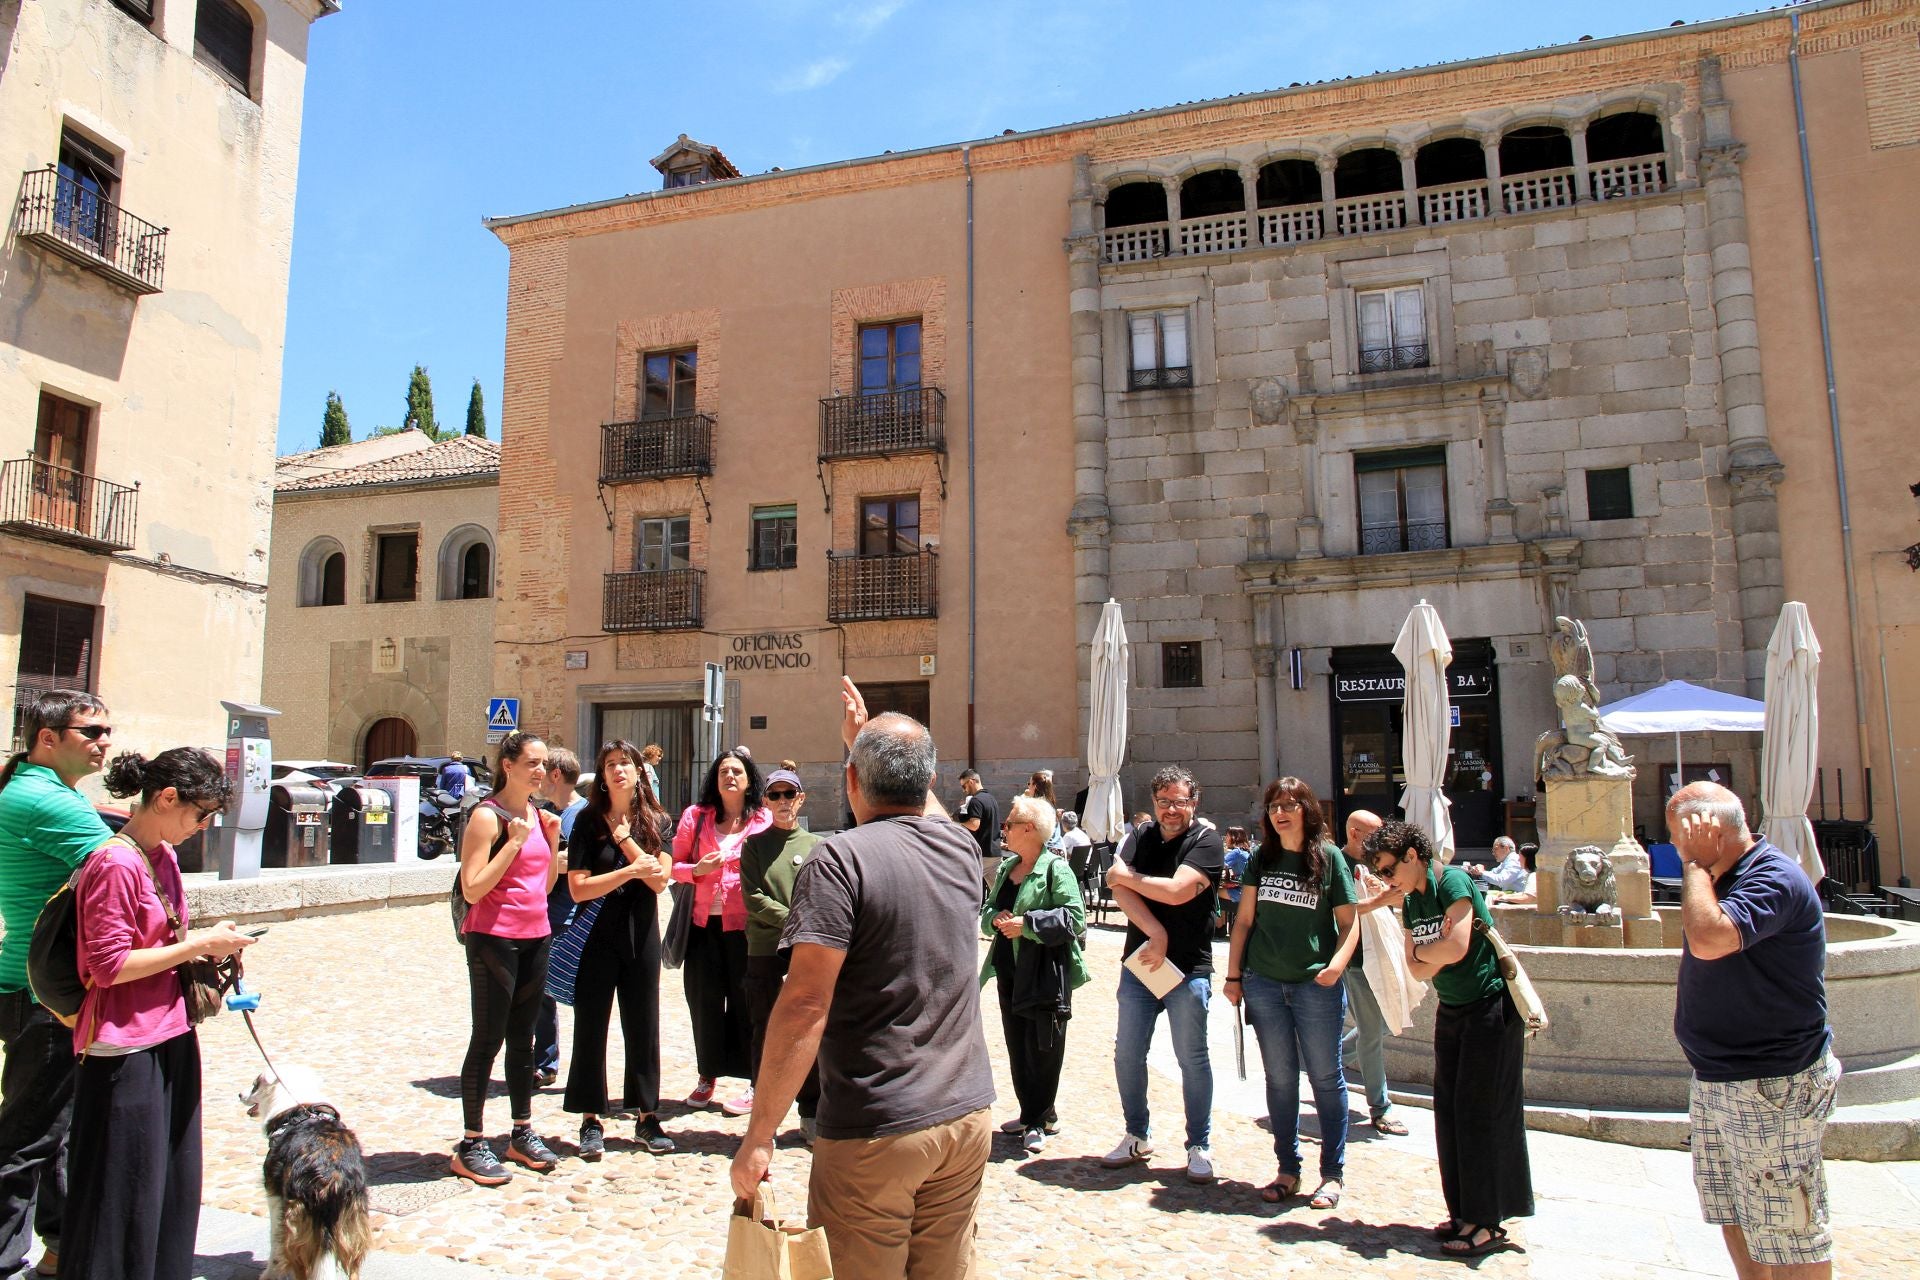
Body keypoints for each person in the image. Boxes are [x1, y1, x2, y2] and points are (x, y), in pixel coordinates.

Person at [731, 680, 994, 1278]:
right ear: (930, 782)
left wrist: (761, 1133)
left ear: (850, 783)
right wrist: (868, 747)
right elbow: (925, 805)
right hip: (965, 1115)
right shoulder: (958, 846)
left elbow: (802, 1004)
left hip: (878, 1123)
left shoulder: (838, 859)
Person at [64, 748, 255, 1280]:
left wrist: (212, 946)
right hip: (123, 1046)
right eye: (200, 814)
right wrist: (196, 946)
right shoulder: (115, 862)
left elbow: (164, 937)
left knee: (168, 1187)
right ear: (167, 798)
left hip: (170, 1032)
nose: (202, 826)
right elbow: (108, 966)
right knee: (121, 1195)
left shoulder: (162, 857)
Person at [1670, 782, 1837, 1279]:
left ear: (1709, 833)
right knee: (1735, 1214)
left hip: (1773, 1082)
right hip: (1720, 1077)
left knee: (1789, 1231)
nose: (1674, 846)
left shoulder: (1773, 877)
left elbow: (1709, 938)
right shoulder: (1721, 879)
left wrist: (1696, 867)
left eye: (1679, 836)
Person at [1366, 819, 1532, 1258]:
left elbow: (1455, 948)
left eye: (1387, 870)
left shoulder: (1452, 881)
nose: (1386, 880)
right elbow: (1417, 966)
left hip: (1490, 1007)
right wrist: (1427, 953)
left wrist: (1426, 954)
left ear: (1411, 856)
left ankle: (1487, 1222)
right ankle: (1463, 1211)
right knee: (1451, 1113)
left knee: (1481, 1113)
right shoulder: (1414, 901)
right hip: (1454, 1008)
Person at [0, 692, 113, 1280]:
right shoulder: (49, 802)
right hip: (46, 995)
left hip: (29, 986)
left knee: (55, 1129)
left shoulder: (34, 788)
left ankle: (62, 1244)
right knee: (28, 1136)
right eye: (91, 731)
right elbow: (124, 875)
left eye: (107, 730)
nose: (104, 741)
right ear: (48, 738)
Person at [1223, 778, 1358, 1208]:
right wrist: (1233, 977)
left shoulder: (1330, 857)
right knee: (1280, 1080)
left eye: (1289, 805)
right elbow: (1243, 922)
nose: (1280, 813)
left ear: (1306, 810)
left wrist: (1336, 966)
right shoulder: (1262, 858)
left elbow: (1349, 923)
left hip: (1315, 985)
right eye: (1274, 806)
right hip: (1264, 981)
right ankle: (1288, 1169)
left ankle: (1332, 1174)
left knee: (1324, 1078)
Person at [1100, 765, 1225, 1184]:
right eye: (1164, 802)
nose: (1172, 809)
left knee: (1193, 1059)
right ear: (1153, 804)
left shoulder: (1207, 841)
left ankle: (1198, 1144)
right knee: (1127, 1055)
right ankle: (1137, 1134)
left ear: (1195, 801)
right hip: (1141, 965)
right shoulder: (1140, 835)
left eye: (1181, 801)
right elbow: (1116, 889)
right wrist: (1153, 930)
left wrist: (1130, 878)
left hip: (1188, 969)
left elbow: (1174, 891)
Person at [451, 731, 563, 1186]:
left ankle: (520, 1131)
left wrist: (549, 841)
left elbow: (548, 886)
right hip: (493, 938)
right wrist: (513, 843)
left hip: (537, 936)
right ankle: (471, 1142)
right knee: (488, 1036)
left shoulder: (537, 816)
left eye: (544, 764)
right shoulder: (486, 817)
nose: (540, 770)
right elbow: (472, 887)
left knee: (524, 1039)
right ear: (508, 766)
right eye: (531, 763)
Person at [563, 741, 674, 1158]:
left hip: (641, 932)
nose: (617, 770)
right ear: (602, 775)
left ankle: (647, 1115)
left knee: (644, 1024)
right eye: (609, 764)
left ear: (638, 770)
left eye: (624, 763)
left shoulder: (657, 821)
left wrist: (627, 842)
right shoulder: (587, 821)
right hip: (596, 933)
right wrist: (630, 869)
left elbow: (660, 882)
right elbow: (578, 888)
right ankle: (591, 1117)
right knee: (592, 1024)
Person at [982, 795, 1088, 1154]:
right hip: (1010, 967)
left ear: (1029, 829)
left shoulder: (1055, 868)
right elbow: (988, 909)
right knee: (1017, 1042)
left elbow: (1075, 918)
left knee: (1043, 1044)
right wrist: (995, 918)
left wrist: (1026, 924)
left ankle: (1038, 1119)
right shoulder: (1006, 867)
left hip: (1044, 971)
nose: (1004, 829)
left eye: (1010, 824)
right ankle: (1034, 1112)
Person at [671, 748, 771, 1115]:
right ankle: (706, 1076)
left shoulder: (763, 820)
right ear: (714, 779)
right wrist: (696, 870)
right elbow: (673, 865)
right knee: (704, 1002)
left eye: (737, 772)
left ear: (749, 781)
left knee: (748, 1004)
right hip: (702, 927)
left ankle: (753, 1082)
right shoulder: (695, 818)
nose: (730, 776)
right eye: (724, 771)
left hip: (747, 928)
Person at [739, 767, 821, 1144]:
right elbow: (753, 897)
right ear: (766, 802)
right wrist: (792, 920)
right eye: (775, 795)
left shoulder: (818, 845)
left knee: (809, 1029)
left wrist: (805, 928)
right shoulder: (754, 846)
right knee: (765, 1029)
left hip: (805, 949)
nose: (783, 802)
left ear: (801, 799)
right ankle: (764, 1118)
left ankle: (811, 1111)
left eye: (790, 794)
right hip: (765, 949)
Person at [1338, 809, 1409, 1136]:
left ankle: (1329, 1060)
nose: (1380, 841)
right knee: (1371, 1029)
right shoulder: (1337, 863)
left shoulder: (1378, 861)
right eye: (1373, 834)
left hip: (1383, 952)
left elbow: (1393, 898)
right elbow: (1341, 911)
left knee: (1385, 1023)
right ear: (1354, 833)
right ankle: (1381, 1107)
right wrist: (1380, 898)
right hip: (1355, 958)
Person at [532, 747, 584, 1088]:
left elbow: (580, 864)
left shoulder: (583, 815)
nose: (536, 780)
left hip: (574, 915)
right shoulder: (545, 813)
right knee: (540, 991)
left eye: (541, 771)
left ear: (555, 775)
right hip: (545, 911)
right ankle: (545, 1062)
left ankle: (584, 1068)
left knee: (579, 993)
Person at [955, 769, 1001, 890]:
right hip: (995, 853)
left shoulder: (976, 800)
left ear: (971, 781)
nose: (963, 790)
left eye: (964, 786)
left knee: (962, 885)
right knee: (998, 892)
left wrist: (956, 825)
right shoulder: (991, 799)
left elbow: (974, 824)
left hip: (983, 854)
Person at [1219, 826, 1251, 939]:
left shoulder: (1236, 852)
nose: (1225, 839)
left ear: (1233, 837)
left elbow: (1218, 864)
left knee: (1211, 893)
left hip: (1239, 893)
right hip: (1247, 891)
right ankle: (1220, 926)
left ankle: (1219, 926)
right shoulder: (1246, 851)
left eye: (1227, 836)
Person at [639, 744, 664, 809]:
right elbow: (648, 785)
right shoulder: (648, 767)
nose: (660, 758)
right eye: (658, 756)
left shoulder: (643, 766)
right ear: (651, 754)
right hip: (650, 804)